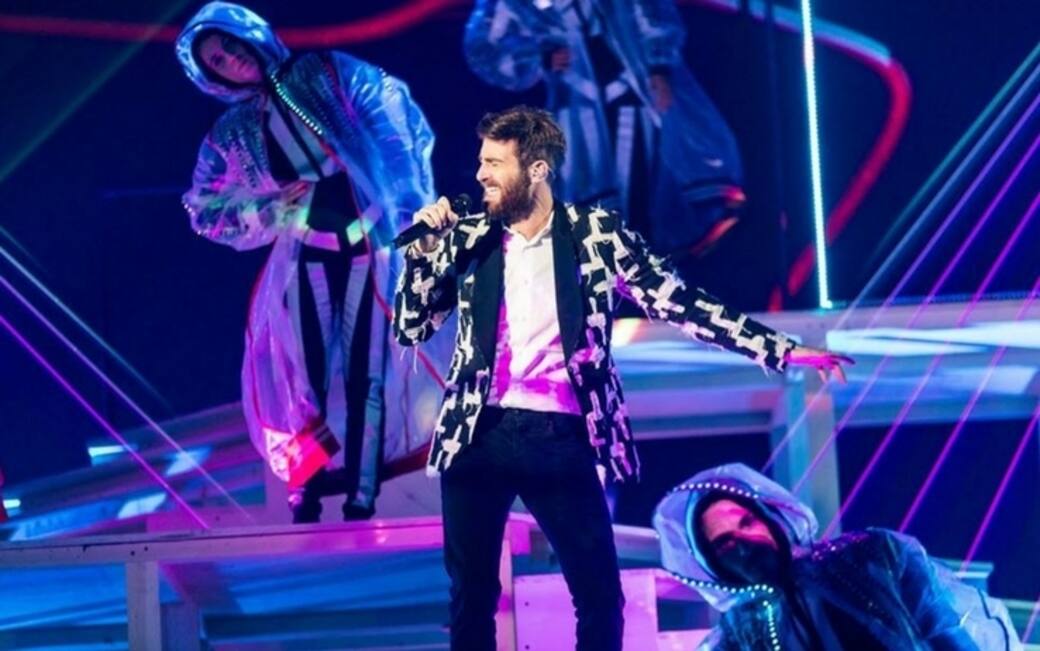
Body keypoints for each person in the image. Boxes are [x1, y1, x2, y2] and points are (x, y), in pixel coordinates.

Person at [392, 106, 850, 650]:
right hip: (477, 431)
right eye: (480, 162)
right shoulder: (469, 237)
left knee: (599, 595)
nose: (480, 175)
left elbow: (680, 303)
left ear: (536, 169)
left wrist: (778, 349)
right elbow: (411, 327)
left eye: (494, 163)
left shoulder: (595, 234)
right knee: (472, 596)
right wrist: (422, 256)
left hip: (559, 433)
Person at [176, 2, 435, 522]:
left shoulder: (325, 72)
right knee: (302, 381)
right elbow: (205, 209)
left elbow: (392, 120)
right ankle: (306, 487)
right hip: (305, 256)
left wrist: (408, 208)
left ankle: (362, 491)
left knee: (368, 373)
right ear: (212, 77)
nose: (231, 59)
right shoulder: (232, 131)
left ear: (249, 35)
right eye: (217, 60)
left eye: (229, 45)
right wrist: (269, 208)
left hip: (369, 246)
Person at [464, 0, 746, 255]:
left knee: (638, 194)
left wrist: (658, 67)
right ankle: (600, 274)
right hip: (576, 103)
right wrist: (539, 57)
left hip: (630, 94)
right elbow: (485, 45)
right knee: (586, 195)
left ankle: (641, 273)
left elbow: (650, 13)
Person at [654, 463, 1023, 650]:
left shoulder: (873, 554)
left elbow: (946, 630)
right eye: (724, 544)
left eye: (747, 522)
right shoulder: (736, 639)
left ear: (771, 517)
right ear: (711, 565)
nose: (745, 543)